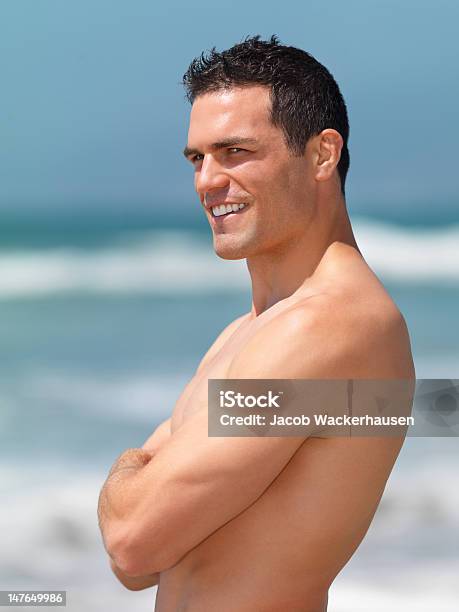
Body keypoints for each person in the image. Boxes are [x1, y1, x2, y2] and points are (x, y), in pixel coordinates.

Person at [98, 35, 415, 611]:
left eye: (235, 152)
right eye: (198, 158)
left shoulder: (329, 325)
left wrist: (128, 466)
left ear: (322, 155)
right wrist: (137, 488)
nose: (207, 181)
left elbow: (131, 541)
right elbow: (141, 570)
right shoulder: (250, 330)